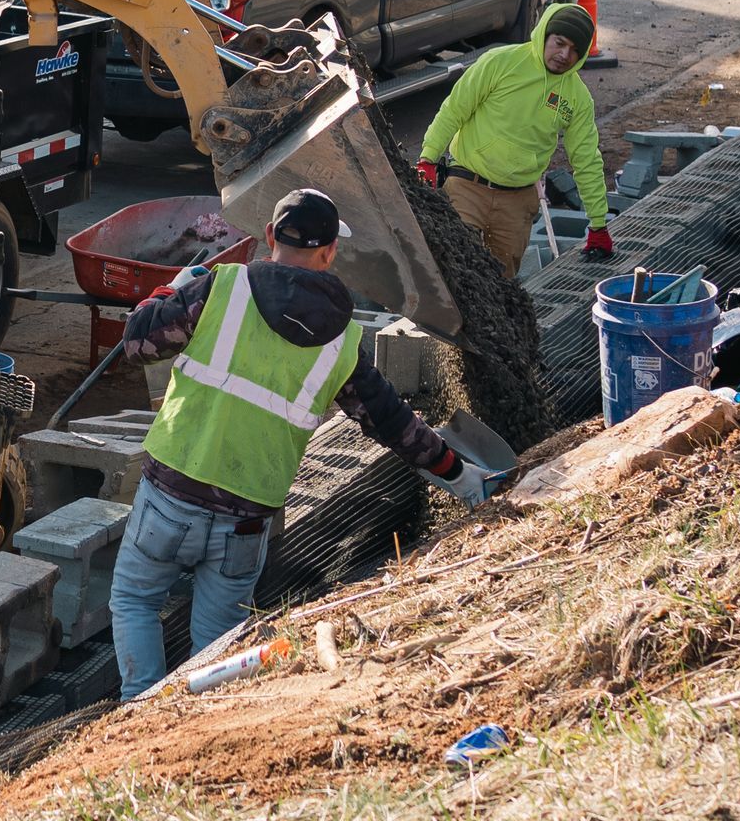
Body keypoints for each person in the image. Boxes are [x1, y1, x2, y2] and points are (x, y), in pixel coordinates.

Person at [106, 185, 472, 704]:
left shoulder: (220, 289)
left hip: (171, 493)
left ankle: (136, 710)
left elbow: (137, 343)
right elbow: (389, 421)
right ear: (329, 253)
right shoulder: (343, 340)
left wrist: (170, 291)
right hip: (247, 517)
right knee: (220, 645)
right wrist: (454, 469)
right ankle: (204, 726)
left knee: (136, 601)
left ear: (270, 236)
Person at [417, 1, 612, 280]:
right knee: (456, 271)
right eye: (559, 43)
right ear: (545, 34)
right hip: (467, 186)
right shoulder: (500, 62)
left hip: (517, 202)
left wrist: (598, 223)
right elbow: (454, 110)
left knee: (501, 283)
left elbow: (586, 160)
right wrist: (428, 158)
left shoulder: (577, 99)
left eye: (575, 51)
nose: (564, 54)